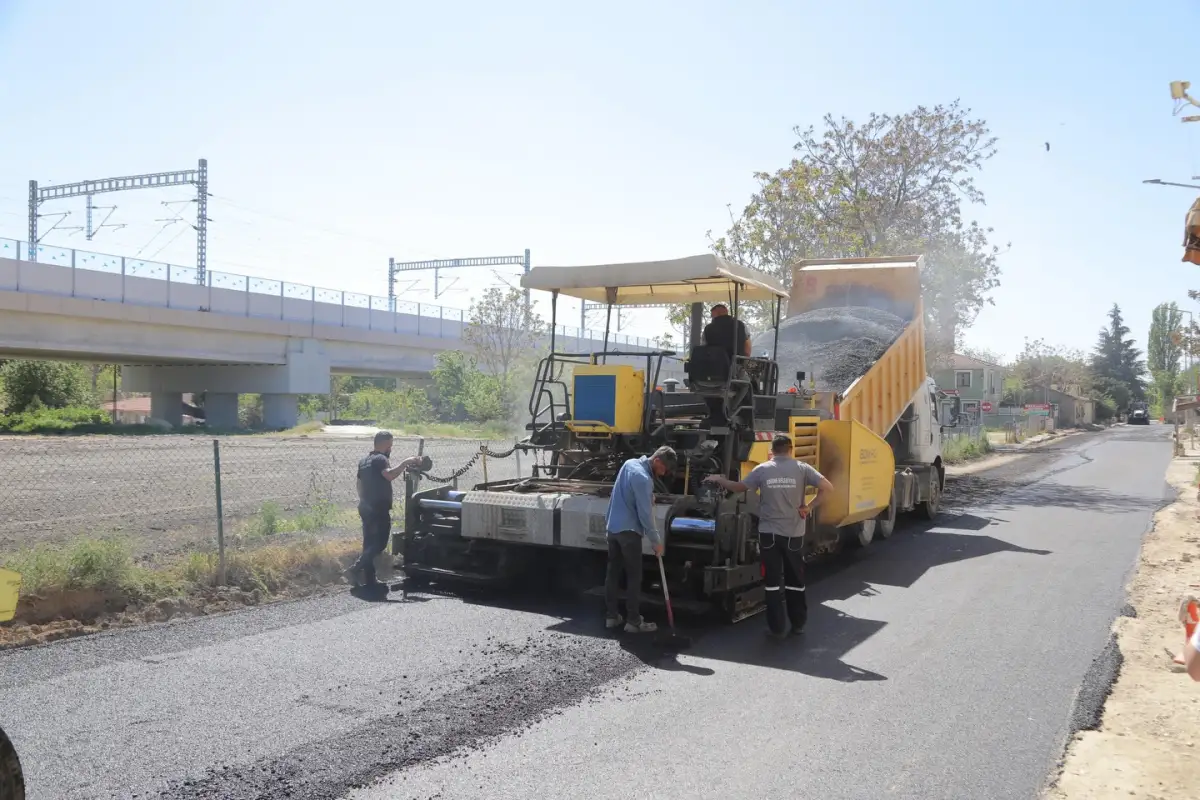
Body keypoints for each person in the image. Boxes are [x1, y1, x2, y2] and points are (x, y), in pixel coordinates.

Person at [705, 434, 833, 638]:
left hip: (769, 535)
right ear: (790, 449)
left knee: (772, 582)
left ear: (772, 450)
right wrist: (808, 507)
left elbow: (738, 488)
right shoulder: (802, 468)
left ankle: (777, 628)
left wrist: (720, 479)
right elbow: (827, 487)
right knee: (795, 580)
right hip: (794, 534)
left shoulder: (762, 470)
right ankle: (798, 624)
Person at [604, 446, 678, 633]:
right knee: (634, 576)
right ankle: (633, 622)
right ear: (657, 461)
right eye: (663, 469)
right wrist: (656, 541)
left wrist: (647, 496)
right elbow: (645, 515)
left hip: (613, 528)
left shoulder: (629, 464)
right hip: (629, 532)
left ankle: (611, 617)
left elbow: (623, 493)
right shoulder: (644, 479)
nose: (663, 474)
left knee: (613, 572)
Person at [347, 430, 424, 591]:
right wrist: (405, 463)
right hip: (378, 509)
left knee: (368, 543)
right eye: (390, 445)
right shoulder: (381, 459)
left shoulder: (364, 461)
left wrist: (364, 501)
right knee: (380, 543)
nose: (391, 448)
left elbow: (359, 485)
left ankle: (370, 579)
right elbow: (389, 476)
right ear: (383, 444)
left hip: (365, 507)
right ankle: (355, 568)